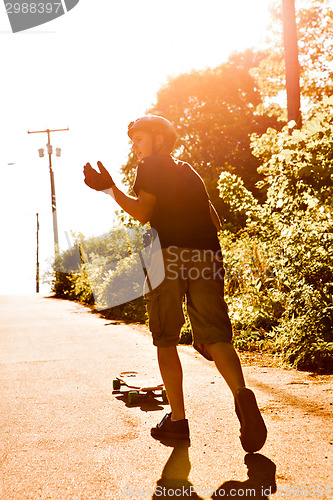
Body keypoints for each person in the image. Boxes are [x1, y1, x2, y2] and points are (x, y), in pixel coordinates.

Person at [83, 115, 267, 452]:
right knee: (215, 336)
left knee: (166, 338)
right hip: (208, 256)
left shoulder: (151, 166)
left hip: (167, 255)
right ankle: (243, 396)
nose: (134, 146)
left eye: (139, 139)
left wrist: (110, 189)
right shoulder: (190, 172)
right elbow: (213, 218)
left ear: (158, 139)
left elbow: (142, 213)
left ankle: (178, 422)